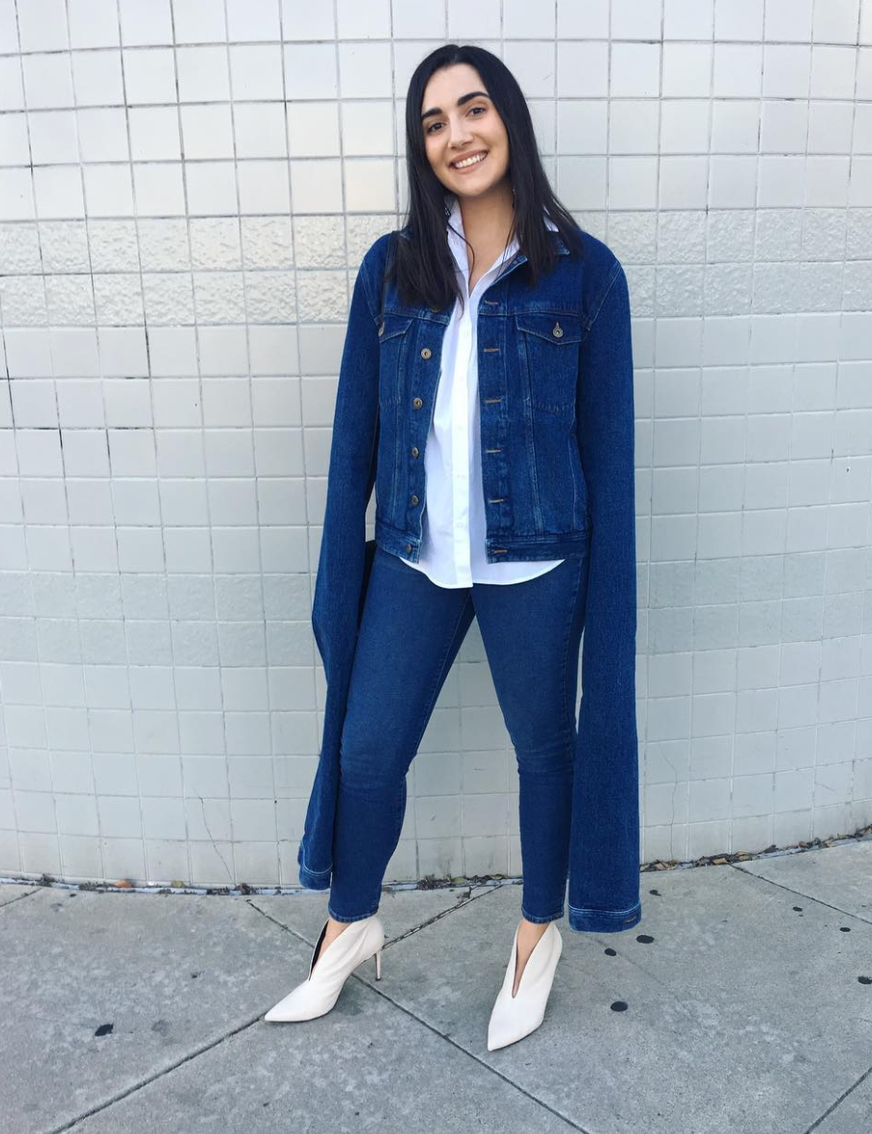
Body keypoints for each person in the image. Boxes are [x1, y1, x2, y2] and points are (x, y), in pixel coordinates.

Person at [266, 44, 639, 1051]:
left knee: (543, 753)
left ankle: (535, 937)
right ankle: (349, 924)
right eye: (433, 122)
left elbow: (608, 457)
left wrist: (610, 599)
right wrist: (340, 569)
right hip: (415, 558)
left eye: (473, 110)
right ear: (419, 145)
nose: (456, 135)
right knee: (366, 750)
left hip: (537, 559)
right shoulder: (392, 271)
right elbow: (355, 440)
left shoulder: (585, 275)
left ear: (508, 119)